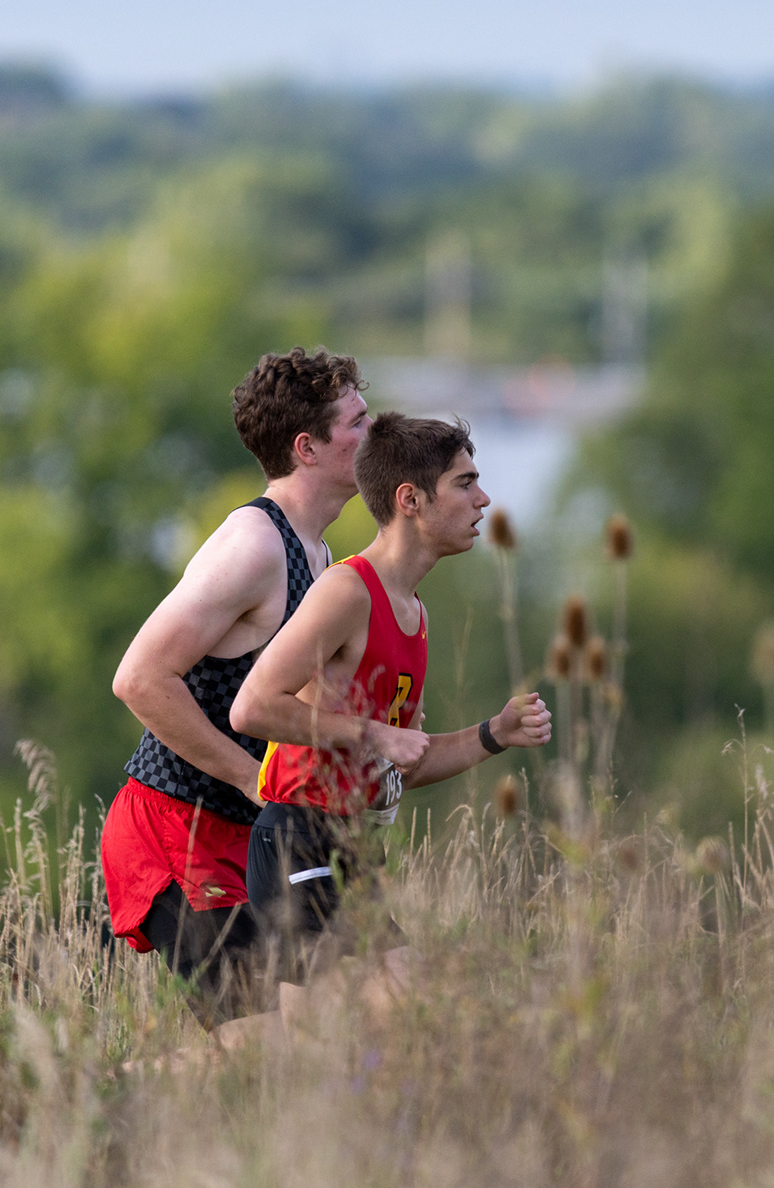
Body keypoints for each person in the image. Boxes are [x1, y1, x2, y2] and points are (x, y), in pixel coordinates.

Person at [229, 412, 551, 985]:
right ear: (410, 500)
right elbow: (251, 707)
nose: (483, 500)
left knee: (398, 1014)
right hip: (299, 841)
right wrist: (374, 732)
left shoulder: (415, 612)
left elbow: (403, 762)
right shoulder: (347, 591)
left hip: (354, 854)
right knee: (380, 1008)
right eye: (465, 483)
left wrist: (495, 733)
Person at [102, 347, 369, 1033]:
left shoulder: (320, 553)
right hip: (174, 826)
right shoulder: (254, 544)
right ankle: (105, 1093)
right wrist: (253, 779)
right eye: (358, 423)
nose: (374, 434)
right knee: (259, 1046)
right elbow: (139, 679)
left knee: (326, 1029)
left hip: (256, 836)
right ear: (307, 448)